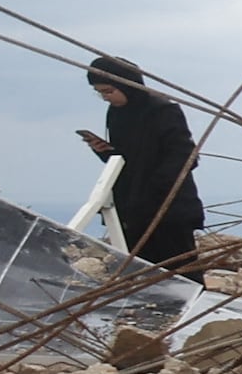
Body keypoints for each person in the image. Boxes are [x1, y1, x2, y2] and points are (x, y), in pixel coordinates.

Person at [77, 57, 204, 265]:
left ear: (126, 84)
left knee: (180, 273)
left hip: (167, 209)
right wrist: (106, 153)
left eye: (109, 91)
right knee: (138, 274)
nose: (106, 98)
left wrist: (152, 187)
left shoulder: (163, 110)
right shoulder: (117, 113)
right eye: (100, 93)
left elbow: (185, 156)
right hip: (132, 211)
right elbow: (129, 160)